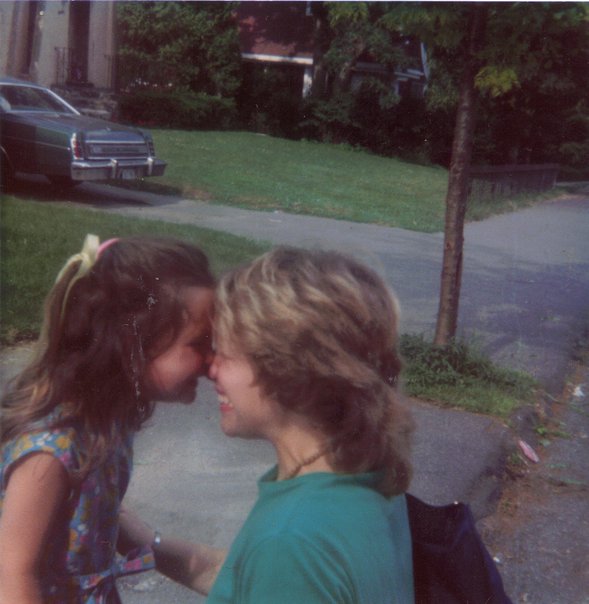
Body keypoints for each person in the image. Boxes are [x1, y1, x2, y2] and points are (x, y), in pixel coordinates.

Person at [120, 246, 416, 603]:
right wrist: (143, 543)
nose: (210, 369)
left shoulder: (292, 542)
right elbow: (247, 580)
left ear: (289, 370)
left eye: (225, 353)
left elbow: (281, 567)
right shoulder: (360, 478)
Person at [0, 234, 221, 603]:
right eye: (199, 342)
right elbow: (12, 574)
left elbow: (85, 512)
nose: (212, 359)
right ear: (131, 346)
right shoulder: (51, 450)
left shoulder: (107, 422)